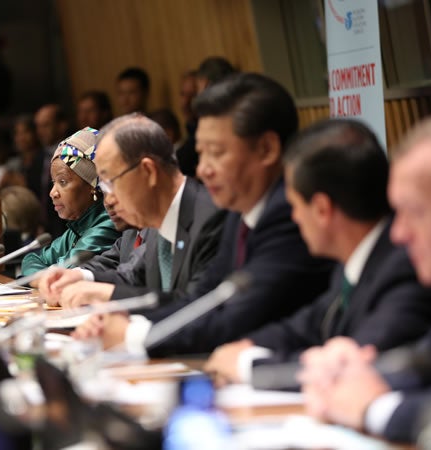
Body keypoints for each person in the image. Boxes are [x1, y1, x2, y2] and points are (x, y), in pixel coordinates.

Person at [73, 73, 334, 357]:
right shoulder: (240, 213)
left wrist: (133, 334)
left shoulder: (289, 215)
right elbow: (201, 301)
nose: (202, 170)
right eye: (201, 154)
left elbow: (233, 321)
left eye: (216, 153)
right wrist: (126, 324)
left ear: (267, 149)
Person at [203, 119, 431, 385]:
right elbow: (307, 326)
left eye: (294, 205)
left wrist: (249, 366)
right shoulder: (352, 263)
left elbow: (359, 367)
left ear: (321, 209)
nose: (294, 217)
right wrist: (246, 345)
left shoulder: (406, 267)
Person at [298, 109, 431, 443]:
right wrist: (355, 372)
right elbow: (430, 359)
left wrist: (379, 409)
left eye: (416, 212)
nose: (398, 234)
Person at [52, 114, 224, 308]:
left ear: (148, 172)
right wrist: (79, 277)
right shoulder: (155, 221)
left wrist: (108, 295)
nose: (109, 198)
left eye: (111, 183)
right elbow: (133, 276)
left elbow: (197, 307)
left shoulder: (213, 218)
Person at [21, 127, 120, 280]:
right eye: (54, 182)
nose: (53, 192)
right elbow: (31, 260)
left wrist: (40, 278)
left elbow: (63, 274)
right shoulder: (77, 227)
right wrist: (43, 279)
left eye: (63, 182)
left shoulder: (109, 222)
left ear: (92, 184)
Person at [34, 103, 70, 238]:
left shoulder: (73, 154)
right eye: (38, 126)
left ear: (61, 125)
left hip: (69, 226)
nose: (40, 131)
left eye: (46, 125)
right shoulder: (37, 159)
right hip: (45, 232)